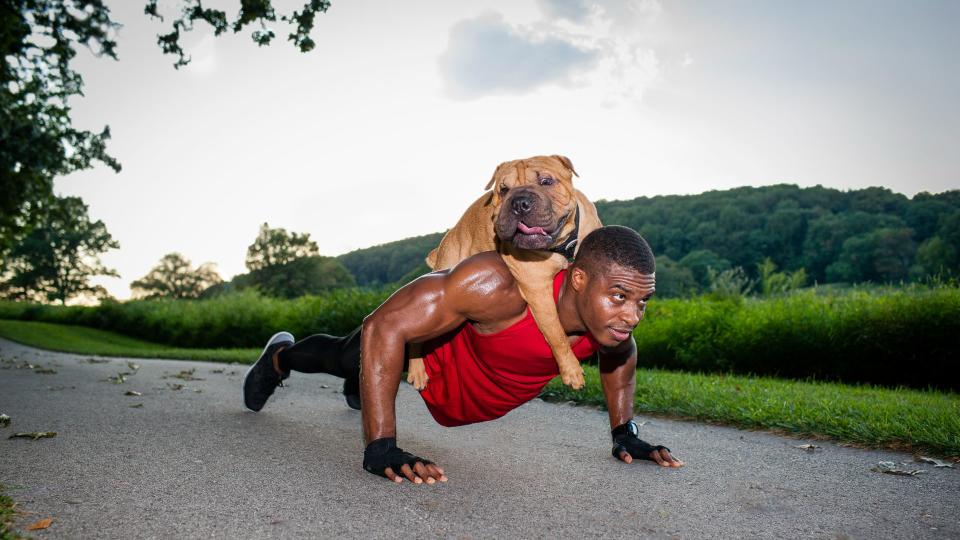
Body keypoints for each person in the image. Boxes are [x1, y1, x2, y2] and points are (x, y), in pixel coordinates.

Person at [243, 225, 684, 484]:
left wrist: (624, 432)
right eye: (620, 296)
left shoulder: (608, 331)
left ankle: (361, 383)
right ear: (579, 279)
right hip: (426, 352)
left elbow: (622, 363)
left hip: (458, 398)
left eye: (641, 302)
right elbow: (385, 325)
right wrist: (381, 446)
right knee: (346, 355)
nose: (632, 315)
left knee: (361, 369)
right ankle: (279, 357)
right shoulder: (500, 286)